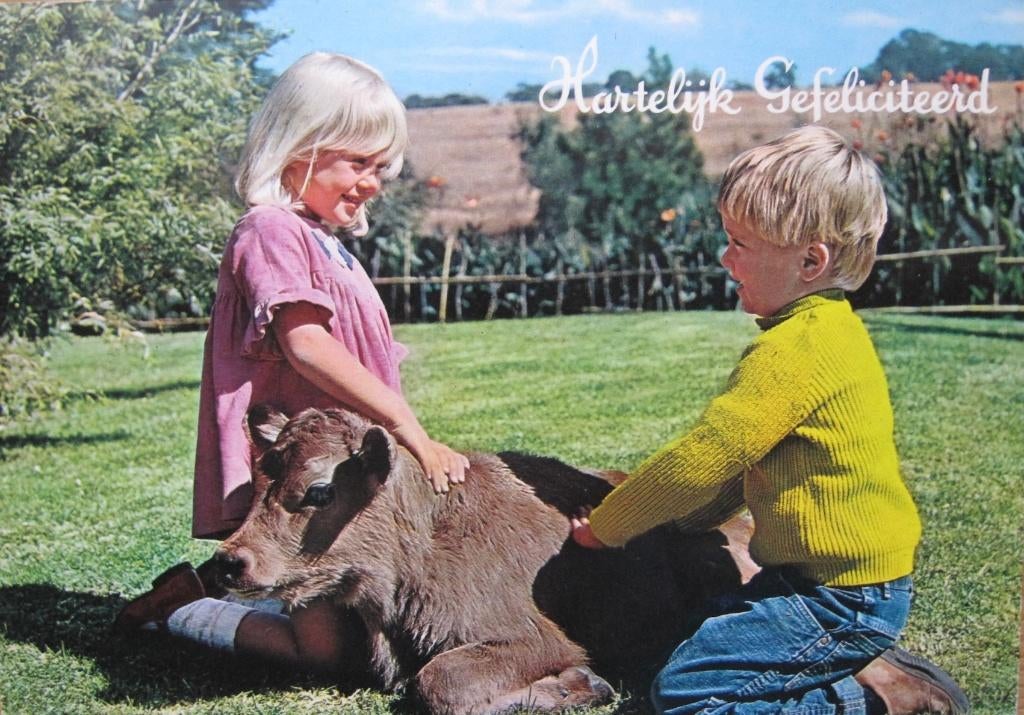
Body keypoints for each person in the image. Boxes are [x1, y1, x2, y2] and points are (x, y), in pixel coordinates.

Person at [570, 126, 969, 715]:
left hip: (840, 597)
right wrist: (685, 527)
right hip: (820, 582)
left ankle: (860, 708)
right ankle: (844, 688)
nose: (725, 258)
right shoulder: (822, 331)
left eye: (740, 244)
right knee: (692, 647)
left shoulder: (797, 351)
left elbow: (704, 459)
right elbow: (742, 469)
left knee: (688, 692)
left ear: (811, 260)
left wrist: (607, 527)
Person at [114, 51, 468, 674]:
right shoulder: (269, 231)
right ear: (298, 147)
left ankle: (237, 587)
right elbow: (306, 344)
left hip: (339, 462)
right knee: (328, 655)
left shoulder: (328, 244)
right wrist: (410, 429)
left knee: (375, 620)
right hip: (301, 467)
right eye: (358, 162)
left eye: (381, 168)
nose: (372, 183)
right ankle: (183, 608)